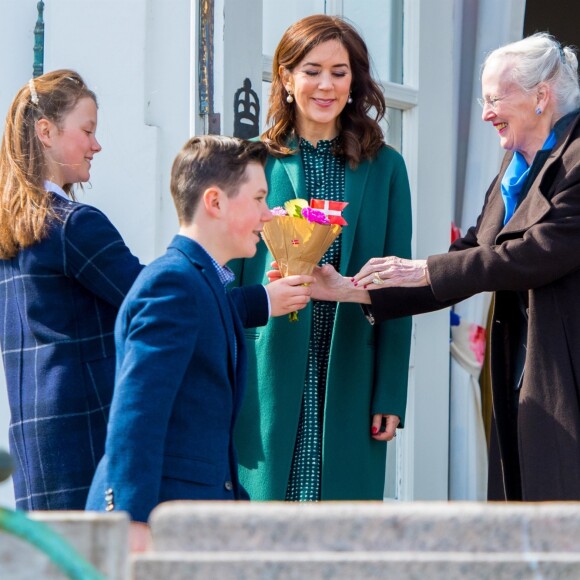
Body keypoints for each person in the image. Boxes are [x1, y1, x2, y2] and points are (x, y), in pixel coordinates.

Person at [0, 71, 312, 511]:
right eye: (87, 130)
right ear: (45, 132)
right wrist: (261, 300)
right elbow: (161, 296)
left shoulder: (12, 229)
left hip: (34, 436)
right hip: (88, 427)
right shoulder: (73, 224)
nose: (96, 144)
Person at [314, 33, 580, 502]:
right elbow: (473, 250)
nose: (485, 113)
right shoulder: (516, 164)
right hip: (524, 377)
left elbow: (541, 251)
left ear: (541, 96)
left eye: (495, 98)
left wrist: (425, 270)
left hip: (566, 376)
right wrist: (356, 289)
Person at [86, 136, 309, 551]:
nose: (268, 214)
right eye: (259, 198)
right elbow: (138, 411)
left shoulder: (202, 282)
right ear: (215, 202)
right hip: (157, 525)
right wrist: (131, 519)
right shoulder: (173, 283)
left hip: (195, 521)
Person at [229, 14, 413, 501]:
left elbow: (400, 282)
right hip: (268, 362)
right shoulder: (251, 160)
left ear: (355, 81)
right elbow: (222, 276)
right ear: (286, 78)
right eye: (312, 70)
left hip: (353, 361)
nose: (326, 85)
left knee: (341, 535)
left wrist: (391, 390)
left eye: (340, 71)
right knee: (263, 526)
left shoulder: (387, 167)